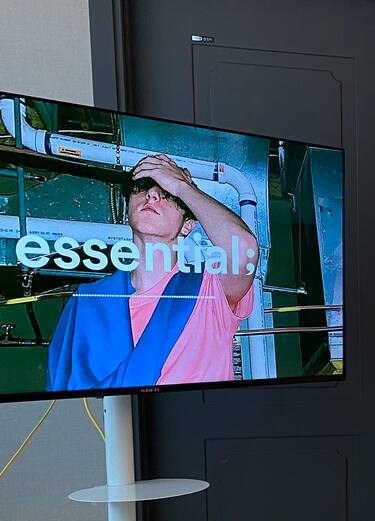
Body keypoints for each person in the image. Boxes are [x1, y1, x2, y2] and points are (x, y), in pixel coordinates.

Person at [46, 154, 257, 391]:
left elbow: (244, 249)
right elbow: (60, 390)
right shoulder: (89, 301)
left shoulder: (209, 291)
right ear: (127, 210)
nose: (152, 195)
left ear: (188, 224)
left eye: (167, 194)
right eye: (141, 188)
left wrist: (182, 186)